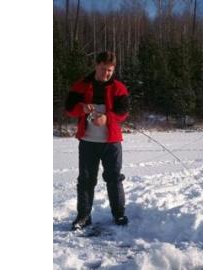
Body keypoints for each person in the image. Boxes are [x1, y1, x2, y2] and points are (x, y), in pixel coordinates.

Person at [65, 51, 130, 230]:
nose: (106, 73)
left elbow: (123, 112)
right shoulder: (81, 86)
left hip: (112, 143)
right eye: (103, 69)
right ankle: (84, 216)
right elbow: (69, 108)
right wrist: (82, 108)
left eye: (110, 70)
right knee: (86, 180)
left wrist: (107, 119)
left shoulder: (119, 88)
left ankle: (119, 215)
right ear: (96, 66)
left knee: (114, 178)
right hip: (87, 142)